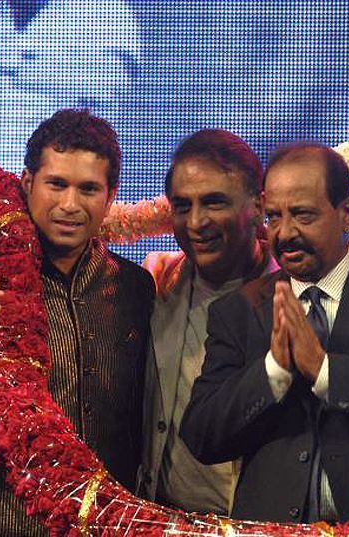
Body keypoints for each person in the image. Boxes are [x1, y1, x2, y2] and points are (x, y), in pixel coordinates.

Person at [180, 143, 349, 523]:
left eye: (303, 215)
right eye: (274, 217)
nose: (284, 233)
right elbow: (201, 435)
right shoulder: (238, 311)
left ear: (347, 214)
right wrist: (273, 371)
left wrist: (326, 371)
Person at [0, 108, 154, 536]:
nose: (69, 205)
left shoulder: (135, 288)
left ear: (111, 195)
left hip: (107, 525)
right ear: (27, 183)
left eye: (88, 188)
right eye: (56, 184)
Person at [136, 129, 278, 514]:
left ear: (259, 206)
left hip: (253, 523)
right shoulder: (155, 283)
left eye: (214, 202)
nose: (196, 222)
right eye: (183, 206)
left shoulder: (297, 297)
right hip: (159, 518)